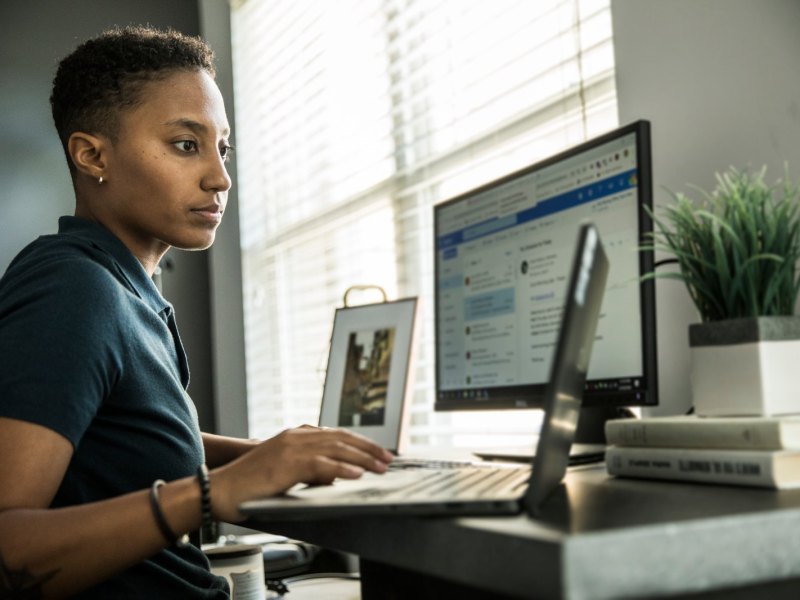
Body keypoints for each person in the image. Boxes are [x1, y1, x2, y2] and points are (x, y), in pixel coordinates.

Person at [0, 25, 393, 599]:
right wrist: (213, 493)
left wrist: (271, 455)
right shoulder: (74, 288)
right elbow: (8, 552)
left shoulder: (122, 287)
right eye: (186, 145)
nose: (220, 177)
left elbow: (122, 439)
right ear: (91, 155)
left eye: (222, 147)